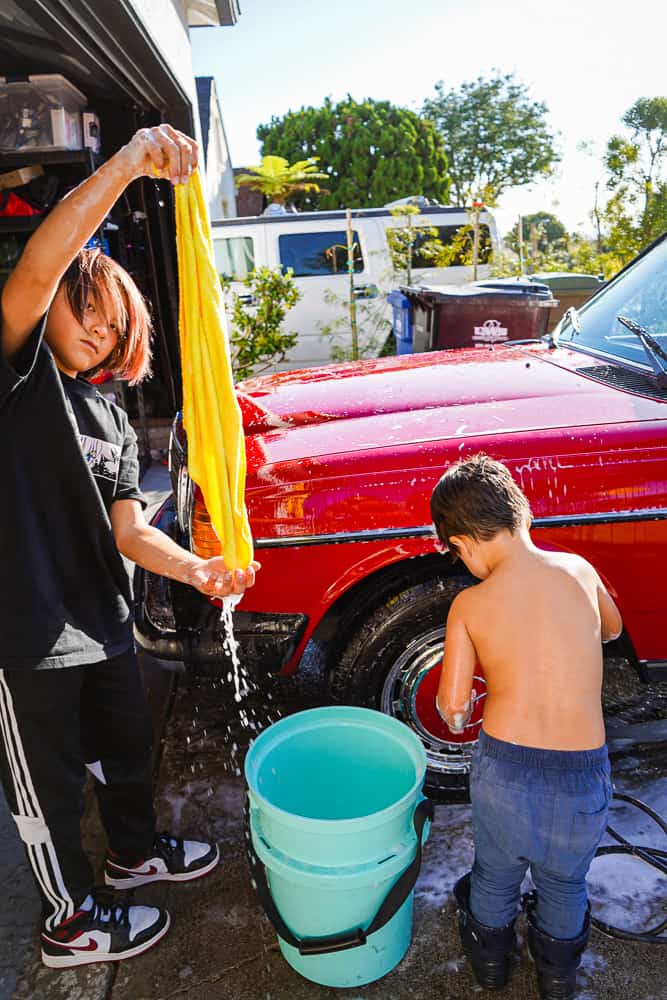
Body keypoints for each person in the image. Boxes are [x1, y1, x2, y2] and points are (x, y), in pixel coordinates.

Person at [0, 125, 259, 969]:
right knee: (50, 787)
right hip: (25, 630)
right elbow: (42, 263)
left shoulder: (108, 410)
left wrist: (201, 569)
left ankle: (135, 851)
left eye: (119, 329)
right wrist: (125, 165)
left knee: (124, 754)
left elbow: (130, 530)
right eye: (94, 312)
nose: (104, 335)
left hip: (102, 620)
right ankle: (68, 921)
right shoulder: (20, 366)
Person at [431, 454, 622, 1000]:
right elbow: (612, 628)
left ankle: (491, 969)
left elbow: (454, 706)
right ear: (523, 516)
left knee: (494, 872)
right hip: (581, 772)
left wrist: (465, 707)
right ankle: (557, 979)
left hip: (505, 772)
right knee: (565, 882)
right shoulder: (580, 571)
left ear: (462, 543)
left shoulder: (470, 604)